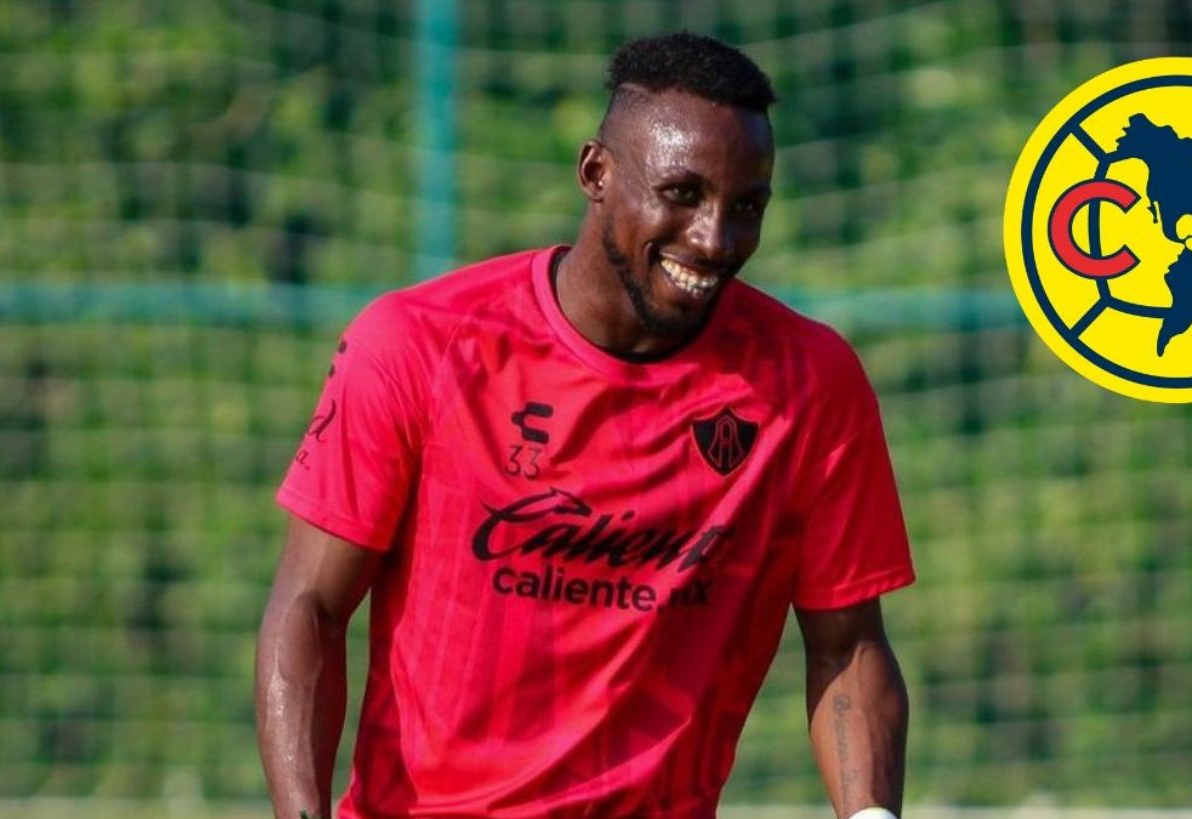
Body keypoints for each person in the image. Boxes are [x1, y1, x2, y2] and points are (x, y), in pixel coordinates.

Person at [255, 31, 914, 819]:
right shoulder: (415, 346)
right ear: (596, 173)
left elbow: (849, 645)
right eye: (682, 193)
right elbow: (311, 609)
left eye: (746, 207)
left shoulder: (809, 383)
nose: (713, 238)